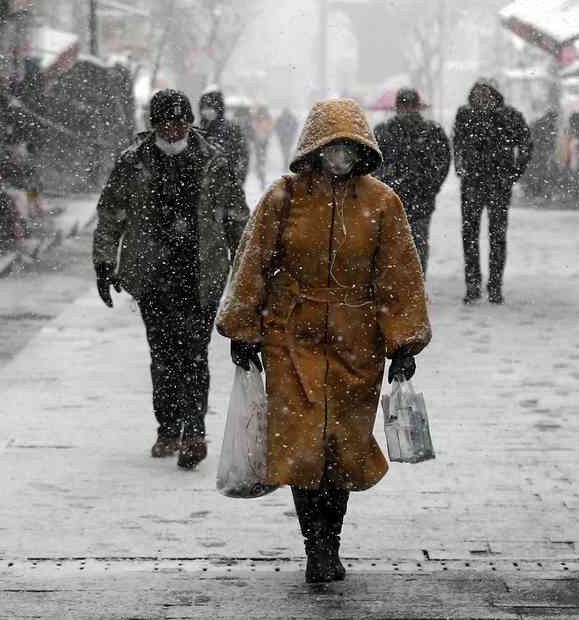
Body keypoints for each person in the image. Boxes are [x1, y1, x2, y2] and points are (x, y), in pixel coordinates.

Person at [217, 98, 431, 585]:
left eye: (348, 147)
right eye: (331, 146)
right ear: (314, 148)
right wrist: (244, 327)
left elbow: (398, 274)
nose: (339, 156)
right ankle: (315, 545)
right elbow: (252, 262)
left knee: (342, 447)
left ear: (362, 150)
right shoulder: (283, 198)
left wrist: (403, 343)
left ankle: (331, 537)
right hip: (292, 338)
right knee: (301, 444)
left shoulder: (382, 203)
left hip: (357, 342)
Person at [93, 89, 249, 470]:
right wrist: (103, 261)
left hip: (201, 272)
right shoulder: (133, 163)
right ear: (154, 124)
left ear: (190, 122)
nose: (175, 131)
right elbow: (111, 214)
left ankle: (194, 430)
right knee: (162, 354)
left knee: (195, 352)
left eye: (181, 123)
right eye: (167, 123)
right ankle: (168, 427)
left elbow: (236, 218)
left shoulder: (213, 161)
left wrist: (248, 270)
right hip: (153, 274)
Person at [452, 79, 532, 304]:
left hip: (497, 182)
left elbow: (526, 143)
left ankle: (494, 285)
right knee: (470, 235)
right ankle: (473, 284)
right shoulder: (465, 115)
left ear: (493, 95)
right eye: (476, 95)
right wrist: (460, 167)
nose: (480, 99)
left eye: (484, 94)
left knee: (496, 235)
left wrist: (515, 171)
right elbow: (457, 143)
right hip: (473, 182)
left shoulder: (508, 116)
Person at [373, 88, 453, 269]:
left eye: (409, 105)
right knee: (400, 245)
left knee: (410, 245)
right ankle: (405, 287)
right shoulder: (385, 131)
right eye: (404, 104)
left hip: (411, 198)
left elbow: (442, 162)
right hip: (399, 198)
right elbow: (373, 163)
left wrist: (430, 186)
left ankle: (409, 287)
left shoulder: (430, 131)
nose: (407, 109)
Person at [198, 89, 250, 184]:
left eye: (211, 108)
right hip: (202, 188)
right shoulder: (198, 130)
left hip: (227, 184)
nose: (207, 112)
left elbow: (242, 155)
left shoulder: (231, 129)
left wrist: (237, 179)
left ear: (218, 109)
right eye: (204, 108)